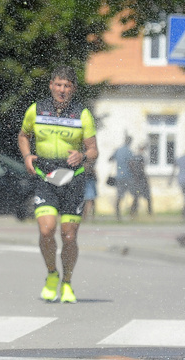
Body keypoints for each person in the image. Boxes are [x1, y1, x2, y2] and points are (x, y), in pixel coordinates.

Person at [18, 66, 98, 304]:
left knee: (69, 237)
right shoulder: (36, 110)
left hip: (73, 179)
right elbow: (24, 135)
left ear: (73, 89)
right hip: (47, 177)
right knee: (46, 230)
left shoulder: (82, 114)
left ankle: (67, 282)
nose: (62, 90)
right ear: (51, 85)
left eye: (67, 86)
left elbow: (94, 150)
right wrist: (27, 156)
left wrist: (83, 156)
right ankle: (52, 273)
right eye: (58, 84)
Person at [109, 135, 134, 222]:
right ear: (130, 142)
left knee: (119, 196)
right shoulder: (129, 151)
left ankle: (118, 215)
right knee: (134, 194)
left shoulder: (118, 150)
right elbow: (131, 164)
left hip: (119, 176)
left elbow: (110, 159)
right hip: (128, 176)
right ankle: (132, 214)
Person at [128, 144, 152, 217]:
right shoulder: (140, 157)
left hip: (136, 179)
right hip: (141, 179)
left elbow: (131, 166)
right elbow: (141, 168)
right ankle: (149, 212)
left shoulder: (134, 157)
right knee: (146, 197)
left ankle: (133, 212)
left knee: (137, 197)